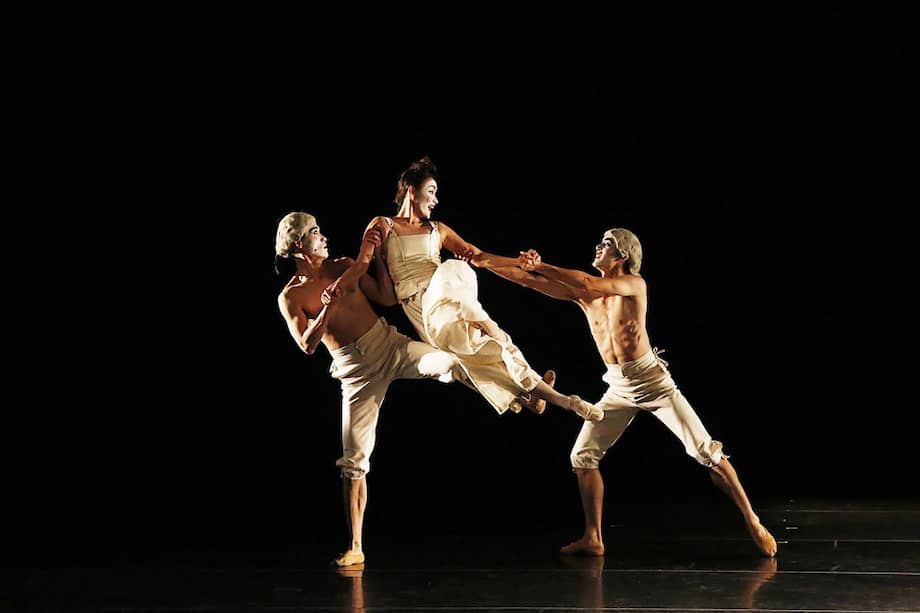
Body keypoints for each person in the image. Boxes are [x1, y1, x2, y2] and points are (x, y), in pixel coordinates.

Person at [467, 228, 778, 557]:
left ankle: (752, 520)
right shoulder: (585, 297)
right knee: (582, 457)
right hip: (618, 386)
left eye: (606, 243)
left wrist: (540, 265)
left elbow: (586, 281)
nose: (598, 246)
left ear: (623, 255)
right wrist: (486, 262)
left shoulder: (634, 285)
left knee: (706, 452)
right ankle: (593, 537)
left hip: (653, 382)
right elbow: (527, 281)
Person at [275, 211, 462, 567]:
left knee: (451, 363)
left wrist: (376, 258)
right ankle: (355, 546)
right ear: (298, 243)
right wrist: (326, 310)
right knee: (354, 462)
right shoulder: (291, 296)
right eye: (315, 231)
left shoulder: (344, 266)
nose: (323, 236)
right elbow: (307, 345)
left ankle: (525, 391)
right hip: (355, 372)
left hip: (389, 347)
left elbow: (387, 297)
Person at [373, 156, 603, 422]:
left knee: (492, 336)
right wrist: (377, 257)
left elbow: (479, 257)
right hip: (421, 308)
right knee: (474, 359)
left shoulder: (438, 229)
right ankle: (531, 397)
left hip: (447, 291)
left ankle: (566, 401)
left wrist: (518, 262)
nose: (435, 200)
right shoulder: (384, 225)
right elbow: (387, 296)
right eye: (431, 191)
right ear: (412, 191)